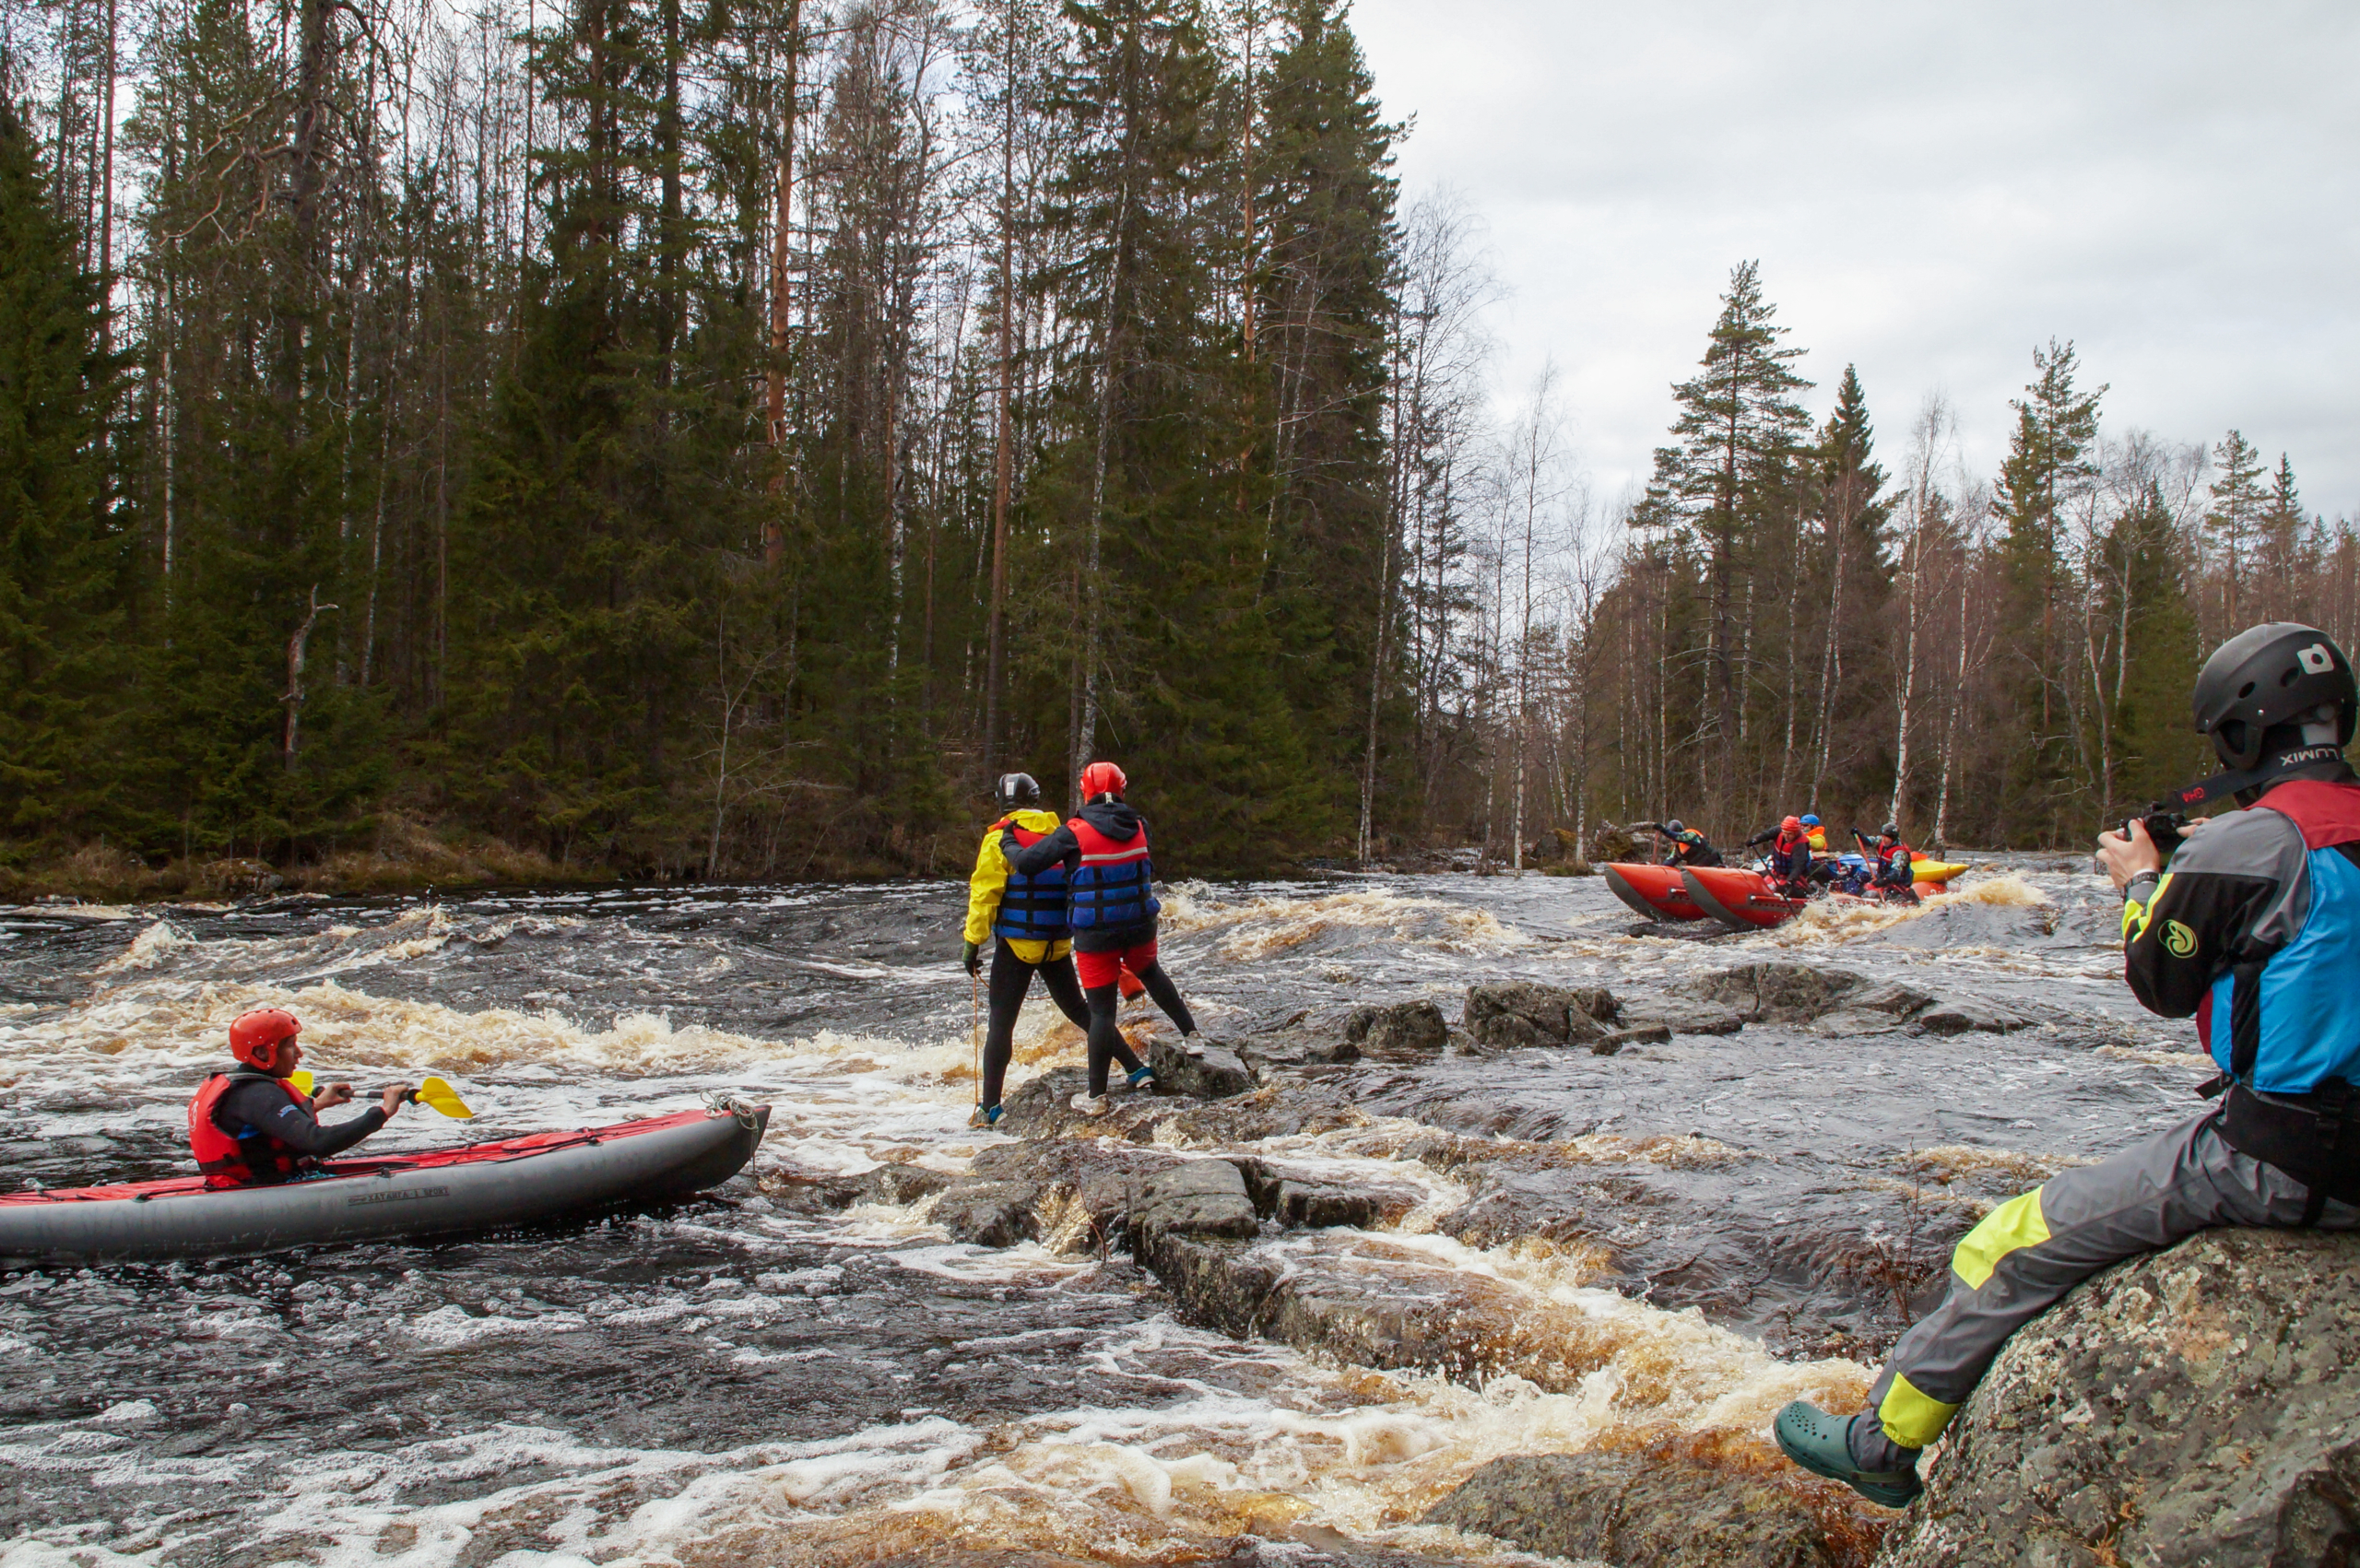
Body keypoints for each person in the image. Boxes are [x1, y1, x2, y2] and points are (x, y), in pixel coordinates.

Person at [1774, 622, 2360, 1508]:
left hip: (2281, 1155)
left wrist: (2142, 880)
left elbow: (2162, 983)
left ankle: (1881, 1440)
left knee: (2006, 1239)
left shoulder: (2242, 846)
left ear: (2244, 735)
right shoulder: (2265, 840)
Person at [1002, 760, 1200, 1116]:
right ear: (1122, 789)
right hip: (1140, 927)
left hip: (1097, 937)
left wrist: (1008, 841)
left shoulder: (1072, 832)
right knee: (1152, 973)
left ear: (1085, 792)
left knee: (1101, 1014)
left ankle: (1096, 1098)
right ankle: (1193, 1037)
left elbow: (1028, 863)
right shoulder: (1140, 825)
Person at [961, 771, 1146, 1127]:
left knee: (1001, 1023)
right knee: (1085, 1013)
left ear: (1002, 802)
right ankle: (1136, 1068)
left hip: (1016, 946)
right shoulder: (1063, 832)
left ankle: (990, 1108)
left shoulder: (998, 838)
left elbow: (984, 896)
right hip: (1057, 944)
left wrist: (972, 945)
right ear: (1035, 799)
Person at [187, 1008, 411, 1187]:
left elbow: (267, 1122)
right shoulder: (259, 1094)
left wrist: (318, 1104)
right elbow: (319, 1142)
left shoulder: (242, 1088)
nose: (299, 1053)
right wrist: (382, 1113)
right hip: (264, 1190)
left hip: (241, 1186)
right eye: (290, 1046)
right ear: (262, 1053)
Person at [1745, 816, 1817, 895]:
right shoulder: (1778, 830)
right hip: (1777, 873)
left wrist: (1788, 883)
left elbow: (1798, 867)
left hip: (1795, 877)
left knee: (1790, 891)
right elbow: (1766, 835)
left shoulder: (1800, 845)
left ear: (1796, 832)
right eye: (1785, 833)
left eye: (1790, 834)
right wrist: (1755, 840)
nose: (1786, 836)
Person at [1861, 822, 1919, 906]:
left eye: (1887, 838)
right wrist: (1858, 834)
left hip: (1897, 885)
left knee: (1889, 899)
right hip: (1884, 881)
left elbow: (1895, 874)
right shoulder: (1881, 841)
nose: (1884, 839)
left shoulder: (1900, 853)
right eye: (1883, 836)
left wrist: (1878, 883)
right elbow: (1868, 841)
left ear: (1893, 839)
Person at [1651, 819, 1723, 868]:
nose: (1671, 839)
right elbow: (1669, 861)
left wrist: (1663, 830)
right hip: (1699, 869)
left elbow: (1678, 837)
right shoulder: (1678, 849)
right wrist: (1659, 869)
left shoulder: (1691, 835)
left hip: (1712, 863)